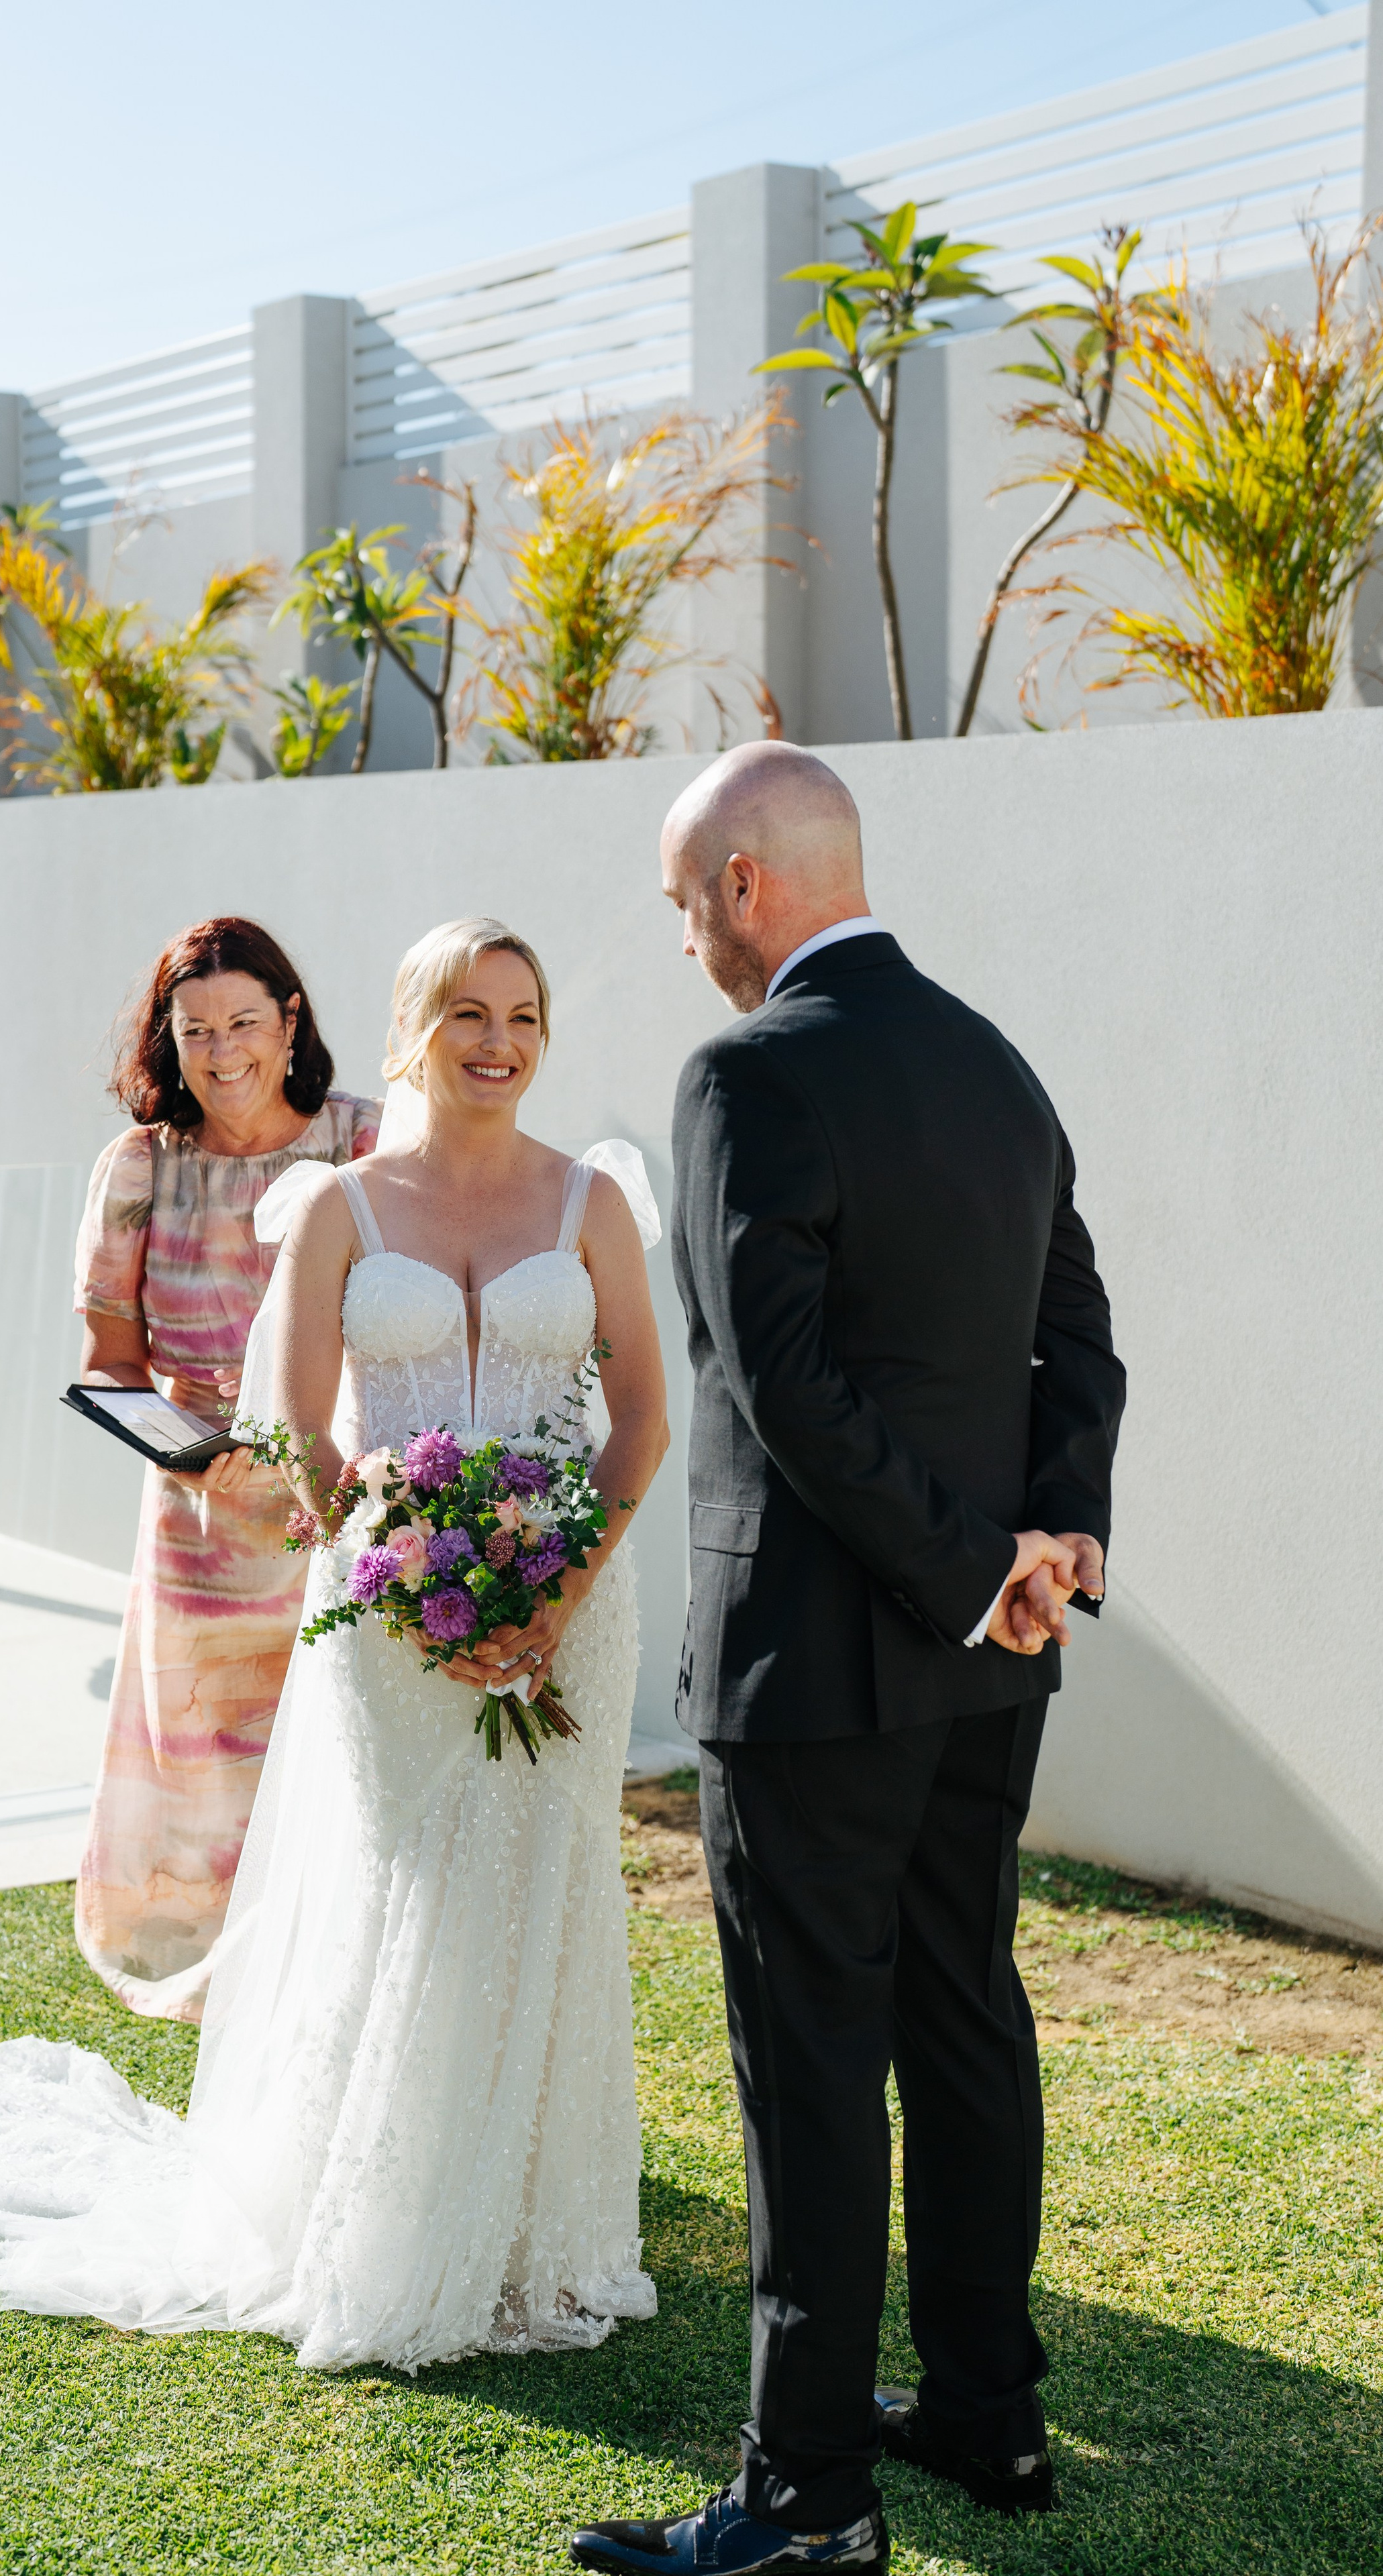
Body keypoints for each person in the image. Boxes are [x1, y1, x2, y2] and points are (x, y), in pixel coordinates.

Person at [0, 916, 670, 2374]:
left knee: (545, 1891)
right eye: (466, 1014)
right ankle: (379, 2222)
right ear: (404, 1031)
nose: (497, 1042)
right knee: (411, 1883)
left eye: (524, 1016)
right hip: (387, 1609)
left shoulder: (592, 1204)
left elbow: (641, 1425)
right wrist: (387, 1546)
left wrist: (555, 1587)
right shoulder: (340, 1209)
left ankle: (530, 2230)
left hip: (576, 1608)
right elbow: (298, 1432)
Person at [572, 746, 1125, 2575]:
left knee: (811, 2059)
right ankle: (989, 2410)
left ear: (744, 884)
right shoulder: (996, 1063)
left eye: (679, 902)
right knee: (964, 2018)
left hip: (816, 1671)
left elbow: (784, 1386)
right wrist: (1053, 1542)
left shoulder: (745, 1071)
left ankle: (806, 2498)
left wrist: (988, 1569)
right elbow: (1081, 1338)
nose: (681, 942)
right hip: (988, 1659)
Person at [74, 915, 379, 2021]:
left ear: (290, 1021)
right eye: (196, 1028)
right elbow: (111, 1368)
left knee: (345, 1760)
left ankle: (344, 1981)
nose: (223, 1049)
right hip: (200, 1537)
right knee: (212, 1783)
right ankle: (242, 2005)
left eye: (245, 1021)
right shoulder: (138, 1171)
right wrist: (199, 1464)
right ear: (169, 1037)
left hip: (342, 1516)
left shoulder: (366, 1145)